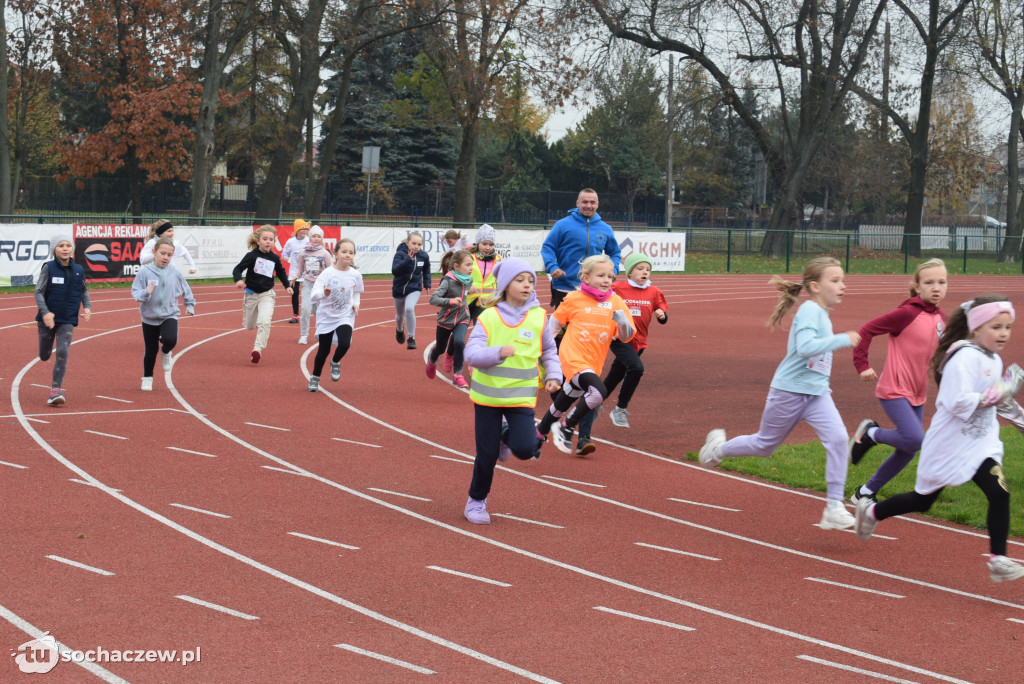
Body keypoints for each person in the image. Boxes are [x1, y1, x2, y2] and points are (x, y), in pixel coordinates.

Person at [854, 296, 1024, 583]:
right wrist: (994, 393)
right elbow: (956, 402)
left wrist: (1019, 417)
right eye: (997, 326)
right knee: (922, 502)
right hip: (949, 443)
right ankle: (872, 512)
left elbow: (1000, 402)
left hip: (981, 444)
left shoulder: (994, 359)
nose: (1004, 333)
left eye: (1008, 327)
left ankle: (998, 560)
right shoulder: (963, 358)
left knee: (999, 492)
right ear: (975, 328)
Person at [698, 256, 861, 531]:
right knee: (765, 445)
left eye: (842, 280)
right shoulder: (810, 311)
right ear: (815, 286)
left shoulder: (821, 313)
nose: (842, 285)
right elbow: (805, 347)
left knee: (837, 439)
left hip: (818, 394)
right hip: (789, 392)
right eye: (835, 280)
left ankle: (834, 506)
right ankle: (717, 450)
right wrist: (844, 339)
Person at [463, 258, 562, 524]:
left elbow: (550, 351)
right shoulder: (490, 317)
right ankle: (476, 501)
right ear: (506, 285)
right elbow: (471, 354)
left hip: (521, 396)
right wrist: (497, 353)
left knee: (527, 448)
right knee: (486, 456)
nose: (527, 285)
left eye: (531, 281)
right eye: (520, 280)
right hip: (488, 397)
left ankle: (506, 436)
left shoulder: (539, 317)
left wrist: (553, 375)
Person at [847, 259, 948, 504]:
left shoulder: (942, 319)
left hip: (917, 391)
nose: (936, 287)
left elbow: (948, 354)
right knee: (915, 440)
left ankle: (866, 492)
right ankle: (871, 434)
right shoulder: (907, 313)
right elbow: (867, 329)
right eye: (929, 282)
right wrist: (862, 365)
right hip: (893, 388)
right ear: (916, 287)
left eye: (942, 282)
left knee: (908, 450)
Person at [536, 254, 636, 455]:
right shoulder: (574, 298)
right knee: (599, 392)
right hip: (572, 356)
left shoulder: (616, 302)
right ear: (586, 277)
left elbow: (626, 337)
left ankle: (539, 433)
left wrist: (622, 321)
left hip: (593, 362)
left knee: (563, 401)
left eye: (610, 276)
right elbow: (552, 329)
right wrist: (542, 355)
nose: (607, 280)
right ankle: (567, 427)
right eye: (601, 275)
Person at [575, 252, 668, 454]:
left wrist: (662, 315)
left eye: (647, 269)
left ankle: (596, 402)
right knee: (636, 368)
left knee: (613, 378)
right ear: (630, 272)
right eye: (640, 269)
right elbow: (599, 294)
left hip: (639, 342)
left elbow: (662, 311)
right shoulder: (618, 288)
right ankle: (620, 409)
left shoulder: (654, 292)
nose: (644, 272)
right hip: (618, 339)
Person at [131, 238, 196, 391]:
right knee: (150, 350)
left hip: (170, 314)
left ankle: (166, 351)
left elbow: (186, 289)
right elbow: (135, 292)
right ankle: (147, 377)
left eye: (169, 255)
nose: (166, 257)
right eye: (162, 253)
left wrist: (190, 304)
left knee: (170, 339)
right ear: (154, 253)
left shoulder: (175, 272)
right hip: (149, 317)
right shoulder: (145, 272)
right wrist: (145, 293)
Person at [34, 234, 91, 406]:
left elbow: (84, 291)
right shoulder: (49, 268)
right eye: (61, 246)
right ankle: (44, 353)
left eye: (68, 245)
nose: (65, 248)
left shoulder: (79, 270)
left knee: (62, 352)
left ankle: (55, 390)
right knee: (44, 355)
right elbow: (38, 292)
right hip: (47, 319)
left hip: (68, 318)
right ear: (54, 249)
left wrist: (87, 307)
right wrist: (45, 312)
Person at [541, 188, 621, 310]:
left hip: (593, 287)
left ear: (597, 204)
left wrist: (613, 270)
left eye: (592, 202)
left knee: (590, 325)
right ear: (578, 203)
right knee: (564, 327)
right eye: (585, 202)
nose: (589, 205)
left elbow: (614, 253)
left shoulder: (605, 229)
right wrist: (552, 266)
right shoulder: (562, 225)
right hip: (564, 286)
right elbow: (548, 247)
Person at [307, 238, 363, 392]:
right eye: (344, 252)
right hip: (326, 316)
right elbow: (314, 295)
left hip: (345, 316)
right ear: (336, 253)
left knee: (345, 343)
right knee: (323, 350)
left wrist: (356, 304)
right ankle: (315, 378)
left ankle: (336, 361)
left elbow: (357, 292)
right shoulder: (327, 273)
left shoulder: (356, 275)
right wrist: (323, 294)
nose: (347, 255)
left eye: (351, 253)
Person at [232, 225, 293, 364]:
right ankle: (251, 323)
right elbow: (238, 269)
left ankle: (257, 349)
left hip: (267, 294)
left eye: (271, 239)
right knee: (250, 325)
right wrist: (239, 280)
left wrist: (287, 286)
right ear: (258, 241)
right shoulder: (251, 256)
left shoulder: (274, 258)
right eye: (265, 239)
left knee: (264, 322)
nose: (268, 242)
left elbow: (281, 272)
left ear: (274, 242)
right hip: (251, 295)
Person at [427, 250, 473, 387]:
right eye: (467, 265)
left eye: (472, 265)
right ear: (457, 267)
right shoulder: (447, 281)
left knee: (459, 342)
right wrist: (451, 301)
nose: (471, 268)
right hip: (446, 320)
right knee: (440, 348)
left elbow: (464, 292)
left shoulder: (469, 280)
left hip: (463, 317)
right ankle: (433, 358)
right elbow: (433, 299)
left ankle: (458, 374)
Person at [289, 225, 334, 345]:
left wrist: (329, 285)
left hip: (320, 286)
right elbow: (299, 268)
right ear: (310, 237)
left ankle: (321, 333)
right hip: (308, 284)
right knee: (305, 309)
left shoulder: (325, 253)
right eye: (314, 236)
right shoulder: (303, 252)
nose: (316, 238)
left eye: (319, 236)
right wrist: (295, 276)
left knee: (319, 312)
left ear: (322, 239)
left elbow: (331, 271)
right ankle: (304, 335)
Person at [391, 231, 431, 350]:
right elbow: (395, 270)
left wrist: (427, 283)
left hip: (414, 288)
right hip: (399, 289)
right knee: (399, 316)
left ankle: (411, 338)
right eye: (414, 243)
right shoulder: (400, 254)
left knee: (409, 308)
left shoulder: (423, 256)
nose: (416, 246)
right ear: (407, 243)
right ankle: (399, 329)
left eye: (419, 244)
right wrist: (408, 259)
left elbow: (427, 269)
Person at [467, 224, 503, 322]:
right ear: (478, 243)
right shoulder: (469, 257)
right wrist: (467, 286)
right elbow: (459, 275)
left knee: (480, 331)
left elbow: (501, 279)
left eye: (491, 245)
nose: (487, 247)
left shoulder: (499, 259)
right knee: (458, 334)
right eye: (484, 244)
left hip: (486, 303)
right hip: (468, 300)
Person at [281, 219, 310, 324]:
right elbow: (284, 253)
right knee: (295, 292)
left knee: (309, 293)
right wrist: (285, 257)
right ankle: (296, 315)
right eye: (302, 230)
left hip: (307, 272)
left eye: (306, 230)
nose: (304, 232)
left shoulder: (309, 240)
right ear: (297, 230)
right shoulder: (290, 242)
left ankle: (310, 312)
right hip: (295, 272)